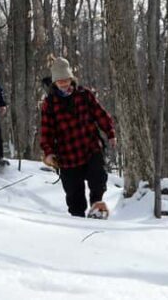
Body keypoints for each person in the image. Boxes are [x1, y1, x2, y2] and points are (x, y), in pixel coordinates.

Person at [40, 57, 116, 218]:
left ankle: (96, 208)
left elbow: (100, 114)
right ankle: (78, 223)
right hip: (67, 155)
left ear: (71, 78)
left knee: (99, 179)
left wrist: (110, 133)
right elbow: (46, 131)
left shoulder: (84, 95)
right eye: (60, 81)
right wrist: (48, 152)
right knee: (74, 196)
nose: (64, 84)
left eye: (66, 80)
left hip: (90, 147)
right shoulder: (50, 104)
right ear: (54, 83)